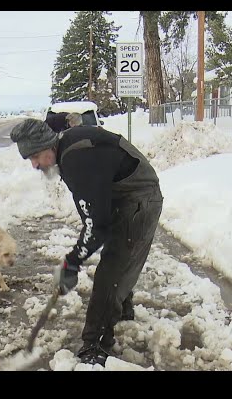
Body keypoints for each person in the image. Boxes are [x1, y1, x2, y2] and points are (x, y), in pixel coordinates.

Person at [10, 119, 163, 366]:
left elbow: (96, 227)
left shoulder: (77, 159)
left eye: (35, 157)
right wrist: (74, 260)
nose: (35, 165)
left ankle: (95, 344)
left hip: (139, 199)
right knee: (117, 256)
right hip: (124, 196)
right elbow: (94, 219)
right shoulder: (70, 151)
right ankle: (123, 308)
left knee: (112, 268)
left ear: (48, 146)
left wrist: (72, 262)